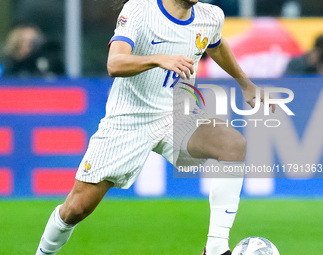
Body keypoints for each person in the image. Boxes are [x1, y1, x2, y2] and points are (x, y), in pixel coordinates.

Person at [35, 0, 274, 254]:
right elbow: (114, 63)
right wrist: (157, 59)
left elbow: (215, 44)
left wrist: (244, 83)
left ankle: (215, 247)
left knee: (232, 145)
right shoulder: (139, 9)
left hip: (176, 114)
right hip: (129, 120)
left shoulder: (211, 16)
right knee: (76, 209)